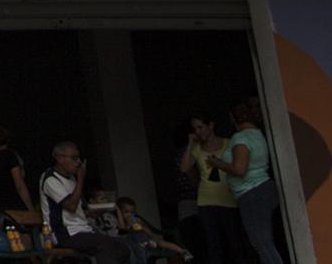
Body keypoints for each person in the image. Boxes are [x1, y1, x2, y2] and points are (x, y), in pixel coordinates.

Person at [207, 98, 284, 264]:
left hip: (252, 193)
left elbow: (239, 169)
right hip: (261, 190)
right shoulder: (257, 134)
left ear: (233, 118)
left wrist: (216, 163)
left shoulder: (240, 138)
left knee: (261, 242)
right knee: (264, 241)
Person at [40, 141, 138, 264]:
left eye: (78, 158)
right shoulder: (51, 179)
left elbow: (78, 211)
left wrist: (94, 213)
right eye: (74, 158)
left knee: (122, 247)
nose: (79, 162)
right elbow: (70, 206)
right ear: (60, 158)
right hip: (64, 234)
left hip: (83, 230)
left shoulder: (71, 178)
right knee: (105, 246)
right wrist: (81, 179)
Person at [180, 113, 246, 263]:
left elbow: (240, 167)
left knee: (235, 242)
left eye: (201, 127)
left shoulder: (229, 143)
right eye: (195, 129)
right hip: (206, 201)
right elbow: (184, 168)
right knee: (214, 244)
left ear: (210, 125)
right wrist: (190, 143)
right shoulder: (197, 148)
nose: (198, 131)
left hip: (229, 199)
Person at [116, 195, 191, 260]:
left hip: (146, 239)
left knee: (160, 242)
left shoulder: (136, 220)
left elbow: (147, 230)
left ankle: (182, 251)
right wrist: (118, 212)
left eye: (132, 212)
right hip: (138, 244)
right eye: (126, 212)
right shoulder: (120, 222)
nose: (129, 214)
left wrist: (145, 230)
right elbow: (123, 227)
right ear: (120, 212)